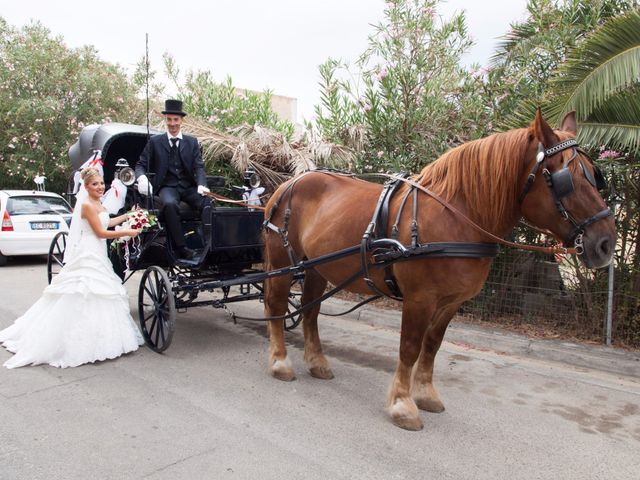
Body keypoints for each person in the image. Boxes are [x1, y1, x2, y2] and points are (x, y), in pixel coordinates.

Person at [0, 168, 144, 368]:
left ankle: (100, 336)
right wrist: (126, 231)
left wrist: (129, 215)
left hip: (98, 252)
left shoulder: (97, 203)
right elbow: (101, 232)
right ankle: (77, 341)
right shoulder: (85, 205)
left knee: (100, 293)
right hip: (89, 251)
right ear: (86, 187)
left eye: (102, 183)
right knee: (84, 292)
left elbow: (108, 221)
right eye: (95, 184)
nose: (100, 187)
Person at [135, 99, 210, 260]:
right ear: (165, 120)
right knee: (169, 204)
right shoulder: (155, 142)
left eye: (175, 120)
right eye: (169, 119)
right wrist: (141, 178)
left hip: (188, 187)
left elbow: (199, 166)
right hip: (167, 187)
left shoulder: (191, 142)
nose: (172, 123)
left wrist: (202, 184)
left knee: (207, 202)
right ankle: (181, 247)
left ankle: (209, 243)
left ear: (181, 120)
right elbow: (141, 164)